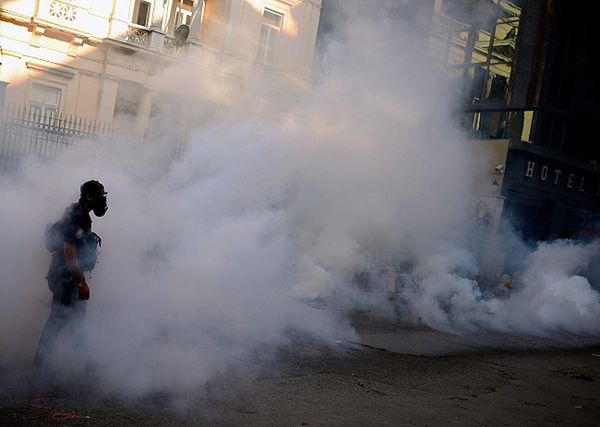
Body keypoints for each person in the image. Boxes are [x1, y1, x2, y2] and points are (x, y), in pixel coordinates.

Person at [33, 180, 108, 369]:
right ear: (89, 196)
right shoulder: (77, 215)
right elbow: (68, 250)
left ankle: (82, 364)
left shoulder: (80, 213)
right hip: (65, 277)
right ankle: (40, 366)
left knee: (77, 321)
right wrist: (82, 282)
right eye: (99, 196)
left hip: (66, 276)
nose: (102, 200)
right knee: (57, 320)